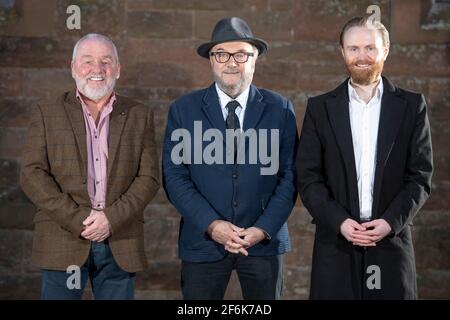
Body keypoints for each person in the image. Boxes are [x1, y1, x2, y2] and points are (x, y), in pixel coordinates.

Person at [296, 15, 433, 299]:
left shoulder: (411, 106)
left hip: (391, 242)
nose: (362, 56)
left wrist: (390, 222)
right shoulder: (320, 109)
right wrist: (341, 222)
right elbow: (308, 178)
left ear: (386, 50)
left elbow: (420, 177)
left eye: (370, 48)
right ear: (342, 52)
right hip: (336, 243)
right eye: (354, 48)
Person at [162, 17, 297, 300]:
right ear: (211, 60)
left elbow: (290, 176)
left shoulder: (279, 109)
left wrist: (262, 228)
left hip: (263, 243)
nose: (231, 62)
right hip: (203, 241)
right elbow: (174, 177)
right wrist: (213, 225)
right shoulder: (184, 110)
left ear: (254, 59)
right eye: (221, 54)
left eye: (241, 54)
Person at [20, 33, 160, 299]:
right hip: (62, 239)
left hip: (120, 240)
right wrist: (80, 220)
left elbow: (149, 178)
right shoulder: (47, 111)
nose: (97, 69)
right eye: (87, 61)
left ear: (117, 69)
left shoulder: (139, 114)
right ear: (73, 68)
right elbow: (32, 174)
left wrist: (111, 218)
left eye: (106, 61)